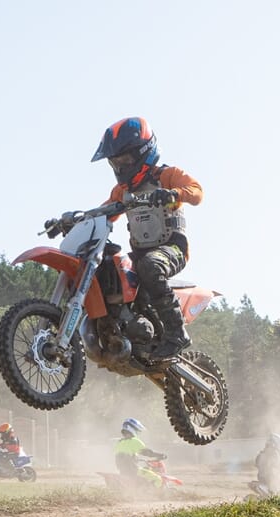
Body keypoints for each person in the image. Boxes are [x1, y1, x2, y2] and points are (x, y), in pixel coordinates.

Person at [91, 117, 203, 360]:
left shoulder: (167, 175)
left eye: (125, 160)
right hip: (139, 253)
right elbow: (106, 212)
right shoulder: (122, 191)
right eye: (116, 161)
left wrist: (173, 194)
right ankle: (126, 330)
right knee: (109, 267)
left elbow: (196, 192)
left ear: (143, 153)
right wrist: (77, 220)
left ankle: (177, 333)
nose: (121, 166)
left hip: (171, 248)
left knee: (150, 266)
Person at [114, 417, 166, 488]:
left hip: (123, 471)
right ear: (133, 429)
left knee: (145, 471)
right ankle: (153, 495)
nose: (138, 433)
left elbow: (123, 456)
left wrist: (136, 458)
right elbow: (147, 453)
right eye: (137, 430)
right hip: (134, 471)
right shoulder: (134, 441)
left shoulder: (120, 442)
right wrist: (161, 455)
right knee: (158, 479)